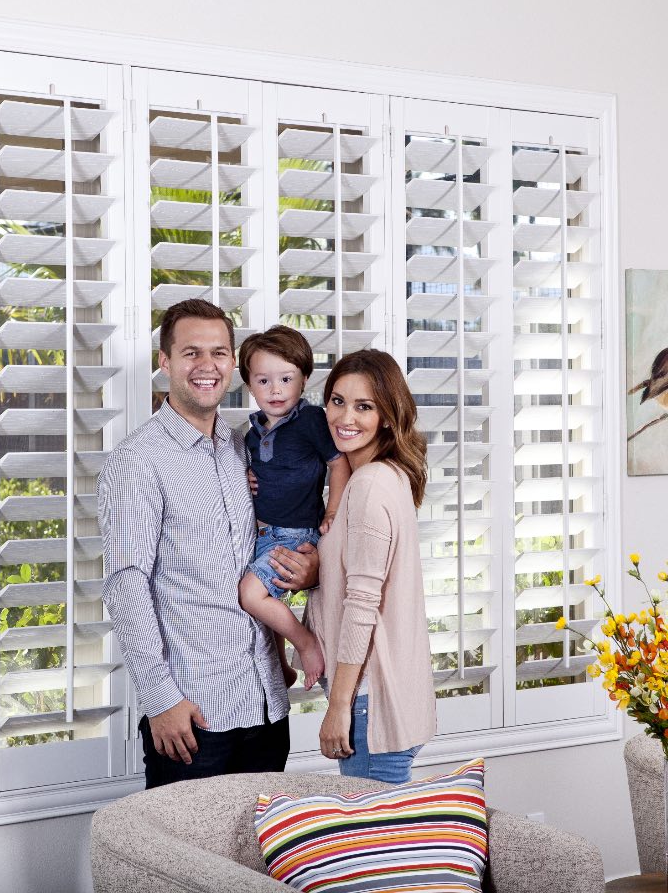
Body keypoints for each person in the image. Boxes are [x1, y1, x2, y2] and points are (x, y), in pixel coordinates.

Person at [98, 299, 319, 789]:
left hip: (266, 703)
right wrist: (160, 699)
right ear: (165, 361)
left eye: (219, 353)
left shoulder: (247, 446)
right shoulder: (138, 461)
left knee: (259, 863)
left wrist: (310, 570)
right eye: (191, 352)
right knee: (185, 865)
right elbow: (125, 585)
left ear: (233, 363)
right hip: (193, 717)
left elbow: (271, 544)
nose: (207, 366)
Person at [306, 348, 435, 783]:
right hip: (388, 697)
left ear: (387, 414)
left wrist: (339, 705)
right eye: (338, 401)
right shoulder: (388, 475)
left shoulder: (369, 485)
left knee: (376, 849)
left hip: (368, 703)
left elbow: (362, 605)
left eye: (364, 406)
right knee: (389, 845)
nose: (346, 416)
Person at [237, 326, 351, 691]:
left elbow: (338, 462)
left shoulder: (311, 420)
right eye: (263, 380)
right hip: (261, 530)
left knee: (251, 595)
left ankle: (305, 644)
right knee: (263, 608)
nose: (275, 389)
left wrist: (332, 510)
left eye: (285, 379)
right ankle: (281, 670)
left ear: (303, 380)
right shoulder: (251, 433)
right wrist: (248, 476)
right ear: (249, 385)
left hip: (294, 533)